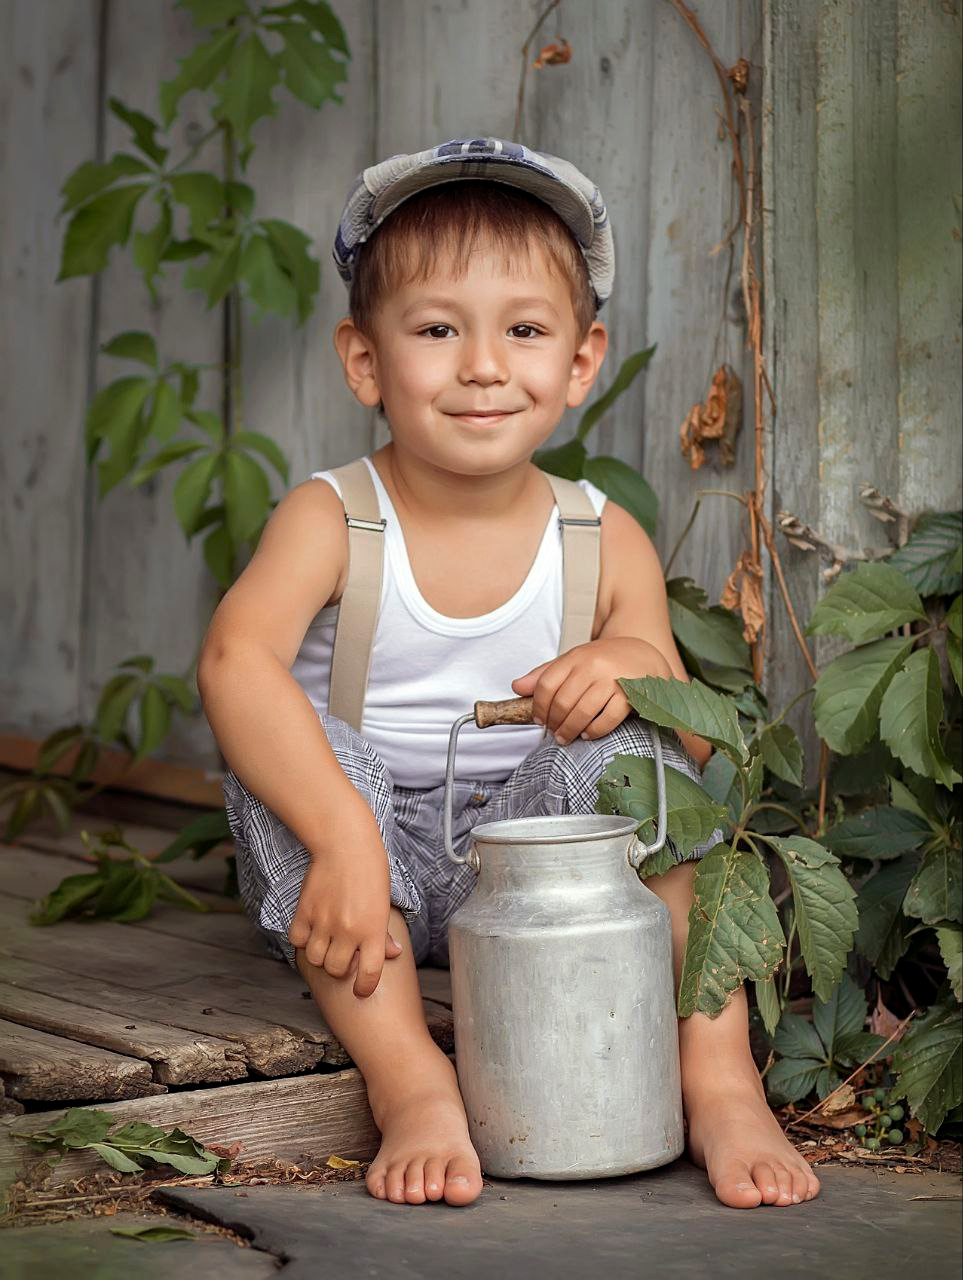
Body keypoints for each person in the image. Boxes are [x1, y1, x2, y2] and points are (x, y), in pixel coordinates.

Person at [198, 137, 819, 1212]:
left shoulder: (599, 534)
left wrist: (626, 665)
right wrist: (342, 835)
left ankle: (719, 1078)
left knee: (642, 752)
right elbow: (233, 661)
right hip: (362, 866)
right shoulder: (334, 517)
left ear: (579, 362)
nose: (483, 364)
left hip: (543, 867)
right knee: (297, 746)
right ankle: (411, 1081)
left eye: (524, 330)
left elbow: (691, 737)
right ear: (365, 361)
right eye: (438, 330)